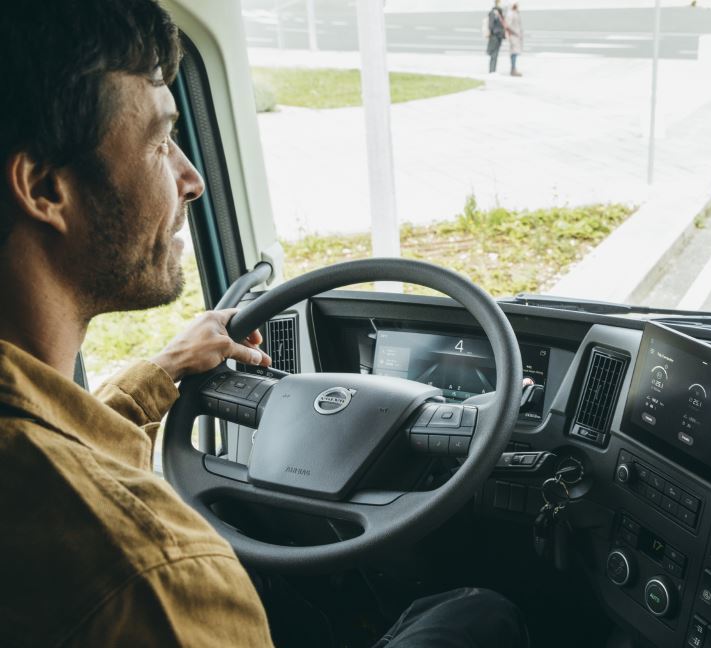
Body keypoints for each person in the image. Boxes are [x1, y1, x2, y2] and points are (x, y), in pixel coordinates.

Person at [0, 0, 527, 646]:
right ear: (45, 189)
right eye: (160, 143)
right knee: (478, 614)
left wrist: (162, 372)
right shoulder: (154, 574)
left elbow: (60, 437)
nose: (190, 178)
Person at [486, 0, 508, 74]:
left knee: (495, 53)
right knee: (493, 53)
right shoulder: (493, 13)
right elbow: (491, 25)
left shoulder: (500, 13)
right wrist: (495, 32)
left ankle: (493, 70)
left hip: (499, 36)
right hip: (495, 35)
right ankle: (492, 70)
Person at [505, 2, 524, 77]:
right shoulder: (510, 14)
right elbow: (508, 26)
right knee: (513, 52)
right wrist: (515, 33)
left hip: (516, 36)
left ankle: (513, 68)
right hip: (513, 36)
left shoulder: (515, 13)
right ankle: (513, 69)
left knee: (515, 52)